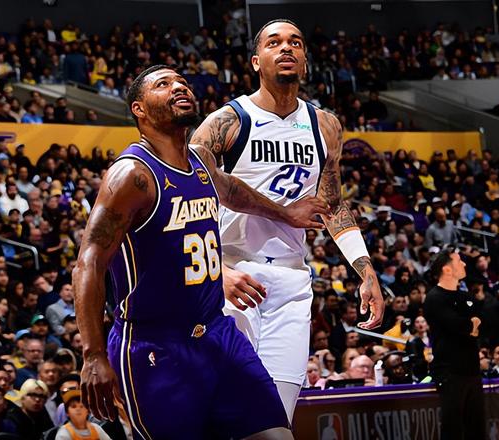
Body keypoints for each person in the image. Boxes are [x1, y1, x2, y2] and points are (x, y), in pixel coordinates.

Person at [75, 65, 325, 439]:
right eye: (163, 84)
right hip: (155, 345)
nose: (179, 87)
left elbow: (231, 190)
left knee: (277, 434)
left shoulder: (199, 160)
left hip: (217, 333)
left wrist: (285, 213)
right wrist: (93, 354)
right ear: (139, 109)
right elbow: (89, 263)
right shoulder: (132, 175)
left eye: (182, 82)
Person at [190, 18, 384, 421]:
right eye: (274, 42)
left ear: (305, 59)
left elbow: (332, 205)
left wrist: (365, 270)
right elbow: (187, 195)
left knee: (277, 417)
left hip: (292, 282)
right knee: (229, 411)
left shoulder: (325, 125)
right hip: (235, 275)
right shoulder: (228, 120)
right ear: (255, 61)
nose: (286, 48)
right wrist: (215, 271)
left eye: (295, 42)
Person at [423, 248, 485, 440]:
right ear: (447, 269)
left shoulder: (465, 296)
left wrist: (470, 326)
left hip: (472, 370)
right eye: (459, 261)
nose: (464, 264)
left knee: (477, 430)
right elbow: (461, 326)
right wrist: (469, 325)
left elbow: (480, 325)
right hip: (450, 372)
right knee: (453, 430)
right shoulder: (434, 298)